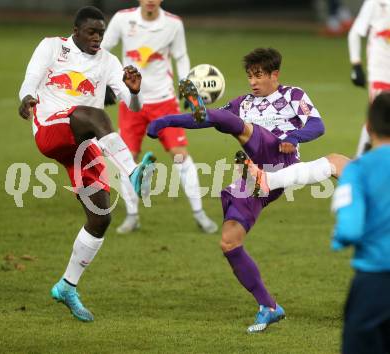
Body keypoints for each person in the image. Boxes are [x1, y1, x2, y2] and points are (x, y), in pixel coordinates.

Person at [148, 47, 350, 332]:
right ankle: (268, 306)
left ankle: (200, 106)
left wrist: (293, 136)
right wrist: (167, 122)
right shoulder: (243, 102)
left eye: (258, 76)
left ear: (274, 75)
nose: (253, 82)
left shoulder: (293, 96)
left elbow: (317, 126)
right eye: (249, 76)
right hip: (254, 176)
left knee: (236, 124)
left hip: (282, 161)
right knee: (229, 241)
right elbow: (209, 119)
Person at [18, 6, 156, 322]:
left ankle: (67, 286)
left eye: (101, 33)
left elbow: (132, 104)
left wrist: (135, 93)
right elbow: (30, 79)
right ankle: (133, 172)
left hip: (83, 144)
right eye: (92, 32)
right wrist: (26, 98)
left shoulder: (108, 61)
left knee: (100, 217)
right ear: (76, 30)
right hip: (51, 128)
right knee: (95, 115)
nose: (97, 38)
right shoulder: (52, 46)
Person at [100, 0, 217, 234]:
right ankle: (132, 217)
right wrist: (105, 82)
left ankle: (199, 214)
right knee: (127, 158)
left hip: (164, 101)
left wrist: (187, 86)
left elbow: (181, 57)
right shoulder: (123, 19)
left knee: (180, 156)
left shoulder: (173, 24)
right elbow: (102, 49)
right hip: (131, 101)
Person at [332, 92, 390, 354]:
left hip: (376, 283)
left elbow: (349, 230)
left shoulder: (357, 170)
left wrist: (338, 239)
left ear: (369, 126)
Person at [348, 0, 390, 157]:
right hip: (381, 70)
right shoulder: (376, 3)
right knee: (376, 114)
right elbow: (355, 32)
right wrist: (356, 64)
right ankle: (359, 160)